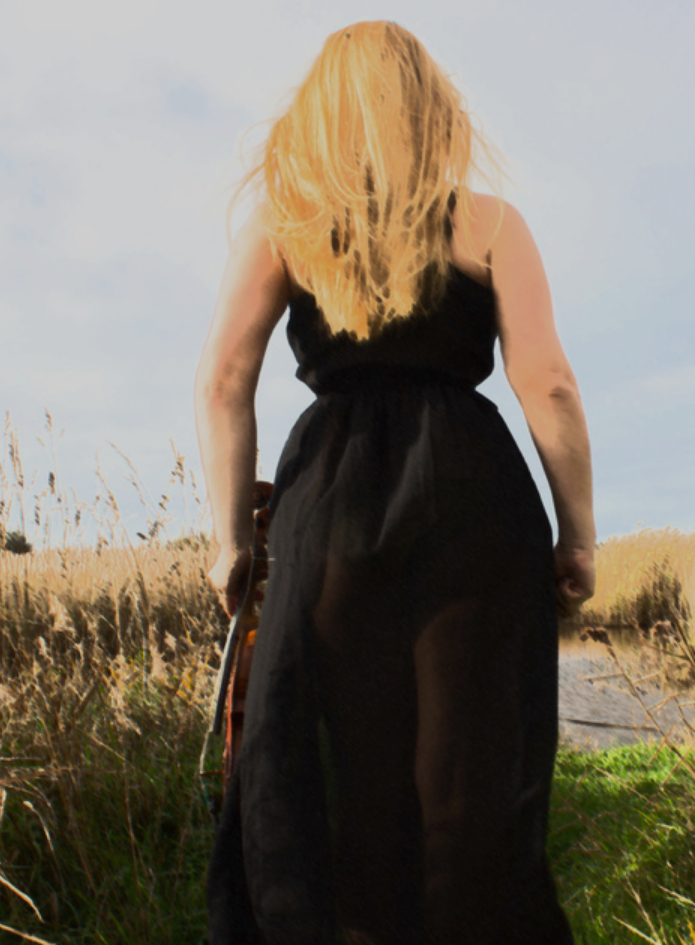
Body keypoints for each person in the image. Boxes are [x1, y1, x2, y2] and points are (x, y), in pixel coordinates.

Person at [196, 20, 594, 944]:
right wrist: (577, 532)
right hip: (475, 503)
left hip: (326, 505)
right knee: (473, 773)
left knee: (320, 760)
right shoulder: (491, 224)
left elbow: (222, 380)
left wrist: (232, 542)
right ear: (432, 110)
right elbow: (548, 382)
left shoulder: (284, 225)